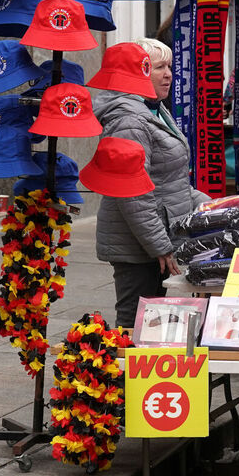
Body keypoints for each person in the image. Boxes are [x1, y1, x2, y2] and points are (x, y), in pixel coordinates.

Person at [93, 38, 209, 327]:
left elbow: (171, 181)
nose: (168, 74)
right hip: (139, 248)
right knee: (136, 326)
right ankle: (123, 375)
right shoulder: (129, 121)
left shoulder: (153, 109)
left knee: (162, 328)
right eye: (158, 67)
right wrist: (161, 246)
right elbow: (132, 195)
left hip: (160, 238)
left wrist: (210, 207)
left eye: (169, 66)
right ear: (138, 72)